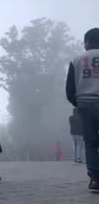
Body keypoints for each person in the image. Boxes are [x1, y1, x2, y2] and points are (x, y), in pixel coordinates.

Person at [66, 27, 99, 192]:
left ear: (86, 42)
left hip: (85, 103)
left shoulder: (77, 59)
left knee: (91, 142)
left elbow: (70, 89)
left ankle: (95, 179)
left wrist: (78, 103)